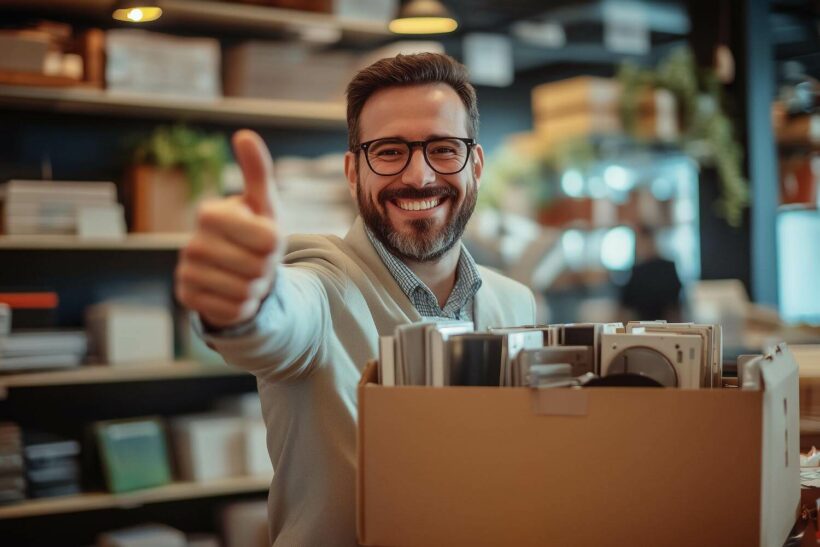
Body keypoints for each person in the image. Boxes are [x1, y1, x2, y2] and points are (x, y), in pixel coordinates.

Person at [175, 53, 536, 546]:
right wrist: (240, 306)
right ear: (353, 171)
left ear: (475, 164)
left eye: (444, 149)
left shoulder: (516, 304)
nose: (419, 176)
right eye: (389, 151)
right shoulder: (322, 283)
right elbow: (279, 319)